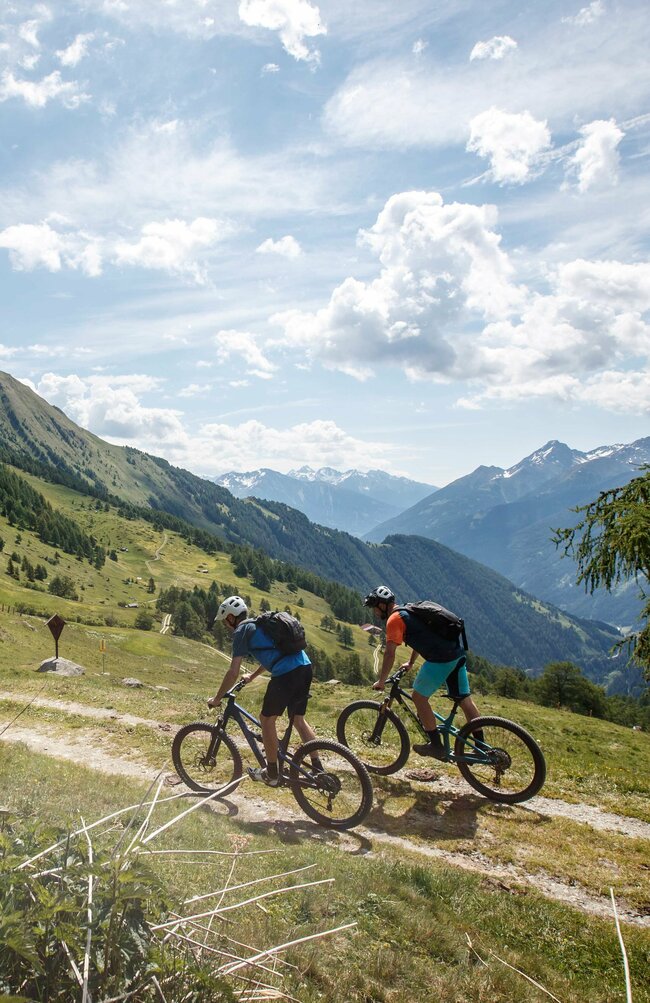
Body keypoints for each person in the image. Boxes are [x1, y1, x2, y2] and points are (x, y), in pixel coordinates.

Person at [208, 595, 320, 786]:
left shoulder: (241, 631)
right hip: (304, 666)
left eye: (226, 621)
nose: (226, 626)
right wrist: (252, 676)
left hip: (286, 674)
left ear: (231, 618)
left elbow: (233, 672)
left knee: (267, 720)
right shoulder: (260, 624)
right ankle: (318, 768)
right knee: (299, 720)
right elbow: (272, 656)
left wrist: (218, 698)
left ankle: (273, 774)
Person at [363, 585, 481, 760]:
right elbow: (422, 637)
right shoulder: (408, 610)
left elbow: (389, 653)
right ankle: (481, 748)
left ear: (382, 605)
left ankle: (436, 745)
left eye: (374, 607)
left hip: (441, 659)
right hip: (456, 653)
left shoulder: (394, 620)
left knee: (418, 697)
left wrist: (381, 681)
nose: (374, 612)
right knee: (465, 700)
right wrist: (411, 662)